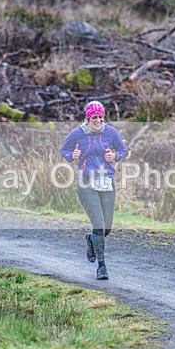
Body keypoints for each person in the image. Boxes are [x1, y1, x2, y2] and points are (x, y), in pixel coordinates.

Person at [60, 101, 127, 280]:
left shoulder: (111, 132)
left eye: (100, 117)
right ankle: (102, 267)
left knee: (106, 229)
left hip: (106, 182)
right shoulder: (77, 134)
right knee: (99, 224)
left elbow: (123, 150)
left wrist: (115, 156)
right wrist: (71, 155)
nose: (98, 121)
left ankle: (91, 239)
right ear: (88, 118)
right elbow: (64, 150)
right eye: (94, 117)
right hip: (86, 184)